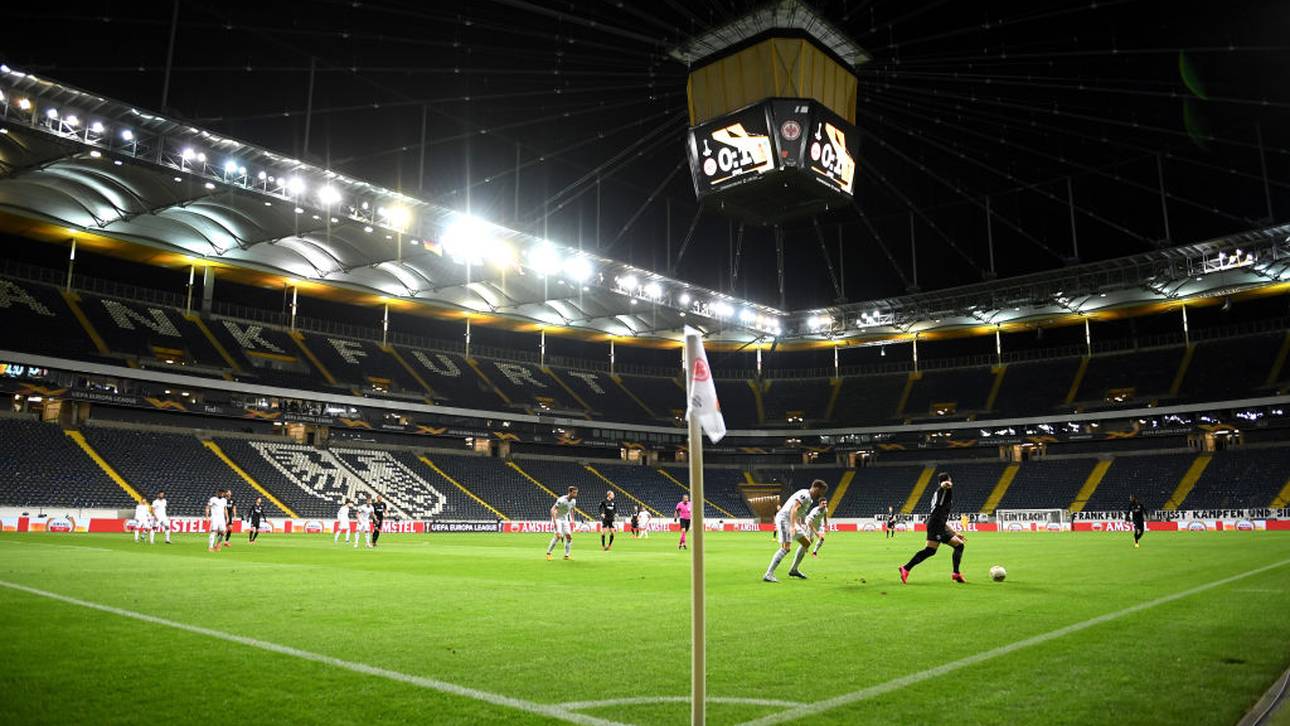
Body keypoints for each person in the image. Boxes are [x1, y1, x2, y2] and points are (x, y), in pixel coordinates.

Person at [899, 472, 967, 584]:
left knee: (931, 550)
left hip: (937, 524)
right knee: (958, 546)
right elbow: (944, 486)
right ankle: (956, 573)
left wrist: (954, 533)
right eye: (949, 480)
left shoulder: (941, 493)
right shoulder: (944, 490)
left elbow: (940, 516)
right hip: (936, 525)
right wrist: (946, 484)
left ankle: (906, 568)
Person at [764, 479, 828, 582]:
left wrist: (801, 525)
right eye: (821, 492)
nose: (821, 495)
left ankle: (794, 570)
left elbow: (799, 513)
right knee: (786, 548)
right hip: (784, 519)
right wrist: (793, 526)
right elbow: (794, 509)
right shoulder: (805, 495)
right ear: (816, 488)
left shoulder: (810, 500)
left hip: (791, 520)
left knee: (806, 543)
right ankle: (768, 574)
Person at [546, 486, 579, 561]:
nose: (575, 494)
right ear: (569, 492)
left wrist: (573, 520)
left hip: (565, 519)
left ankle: (566, 555)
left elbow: (572, 510)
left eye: (576, 493)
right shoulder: (561, 500)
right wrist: (554, 522)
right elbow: (552, 510)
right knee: (558, 536)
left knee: (569, 537)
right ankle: (548, 553)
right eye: (574, 493)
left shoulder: (573, 501)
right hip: (557, 518)